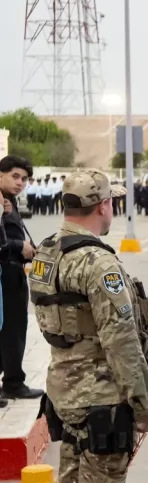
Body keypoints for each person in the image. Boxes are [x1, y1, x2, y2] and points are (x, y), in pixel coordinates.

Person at [28, 168, 148, 483]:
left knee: (70, 478)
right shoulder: (99, 264)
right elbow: (121, 339)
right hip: (101, 393)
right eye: (112, 203)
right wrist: (142, 403)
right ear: (103, 205)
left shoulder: (46, 252)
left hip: (63, 387)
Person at [0, 156, 43, 401]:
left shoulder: (9, 201)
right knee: (12, 330)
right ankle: (13, 383)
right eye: (15, 176)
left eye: (24, 179)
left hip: (13, 271)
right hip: (6, 273)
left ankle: (12, 380)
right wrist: (19, 246)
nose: (20, 183)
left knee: (11, 329)